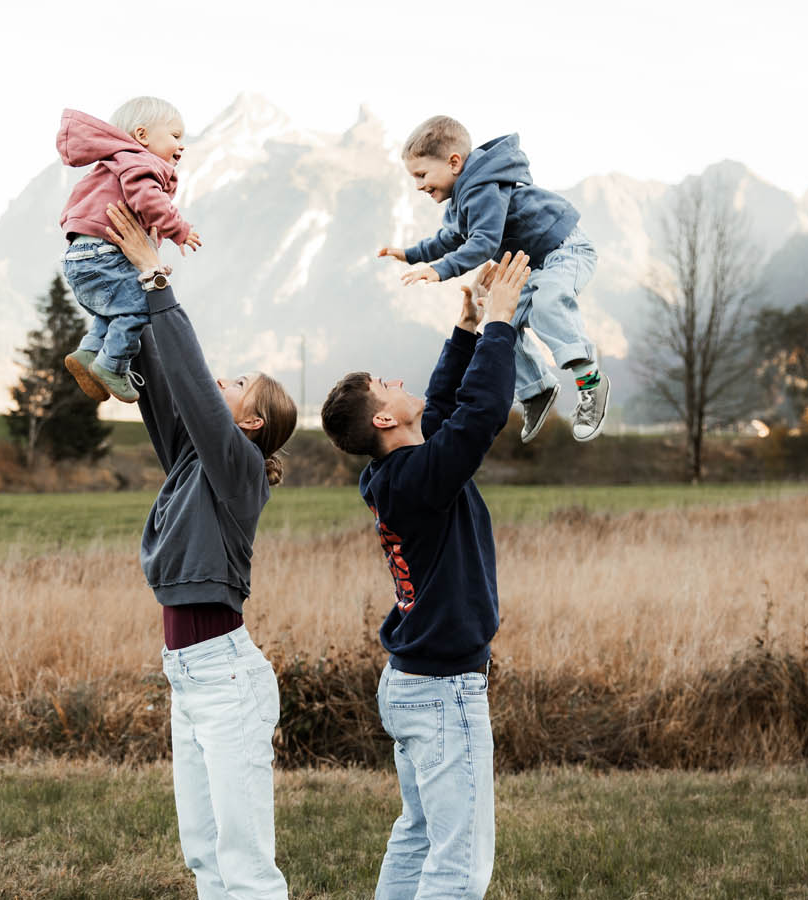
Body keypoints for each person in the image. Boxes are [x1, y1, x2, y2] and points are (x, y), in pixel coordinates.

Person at [320, 250, 532, 900]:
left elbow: (443, 405)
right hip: (442, 693)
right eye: (387, 384)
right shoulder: (417, 479)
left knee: (419, 835)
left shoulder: (405, 472)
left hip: (415, 683)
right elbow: (478, 415)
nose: (398, 381)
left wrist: (466, 328)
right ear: (385, 419)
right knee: (460, 864)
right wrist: (501, 324)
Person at [101, 201, 296, 900]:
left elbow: (192, 381)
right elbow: (165, 383)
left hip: (226, 682)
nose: (224, 379)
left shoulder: (237, 469)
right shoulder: (194, 459)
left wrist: (160, 281)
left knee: (244, 866)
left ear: (252, 422)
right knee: (205, 857)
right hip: (187, 676)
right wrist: (130, 276)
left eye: (238, 383)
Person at [377, 115, 610, 443]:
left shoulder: (483, 188)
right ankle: (537, 390)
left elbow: (483, 242)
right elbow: (452, 238)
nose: (418, 185)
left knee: (547, 303)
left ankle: (591, 383)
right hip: (532, 265)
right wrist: (411, 253)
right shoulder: (463, 199)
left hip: (565, 250)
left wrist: (442, 269)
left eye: (422, 174)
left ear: (454, 162)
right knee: (502, 326)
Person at [56, 97, 203, 403]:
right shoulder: (140, 161)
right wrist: (179, 229)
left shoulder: (112, 163)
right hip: (103, 252)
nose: (182, 145)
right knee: (141, 305)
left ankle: (89, 352)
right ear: (142, 135)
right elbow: (148, 200)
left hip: (79, 255)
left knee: (115, 309)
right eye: (175, 136)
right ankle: (112, 365)